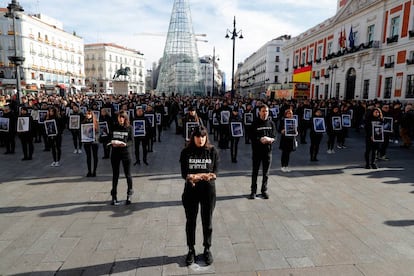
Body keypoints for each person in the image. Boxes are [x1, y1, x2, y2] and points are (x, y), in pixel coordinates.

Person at [180, 126, 218, 266]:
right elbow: (184, 173)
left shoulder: (212, 151)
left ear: (206, 137)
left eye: (203, 136)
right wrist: (194, 176)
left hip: (208, 191)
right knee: (191, 221)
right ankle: (191, 249)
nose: (200, 139)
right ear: (193, 137)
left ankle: (207, 248)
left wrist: (202, 176)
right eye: (197, 136)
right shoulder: (186, 152)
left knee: (207, 220)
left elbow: (214, 173)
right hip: (191, 191)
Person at [249, 104, 276, 199]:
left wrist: (271, 139)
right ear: (259, 112)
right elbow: (251, 136)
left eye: (267, 111)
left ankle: (264, 190)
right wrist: (259, 139)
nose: (265, 113)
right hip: (257, 151)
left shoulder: (271, 123)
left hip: (268, 152)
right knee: (255, 172)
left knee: (266, 173)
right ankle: (253, 191)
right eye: (263, 111)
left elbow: (274, 136)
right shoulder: (255, 123)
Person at [110, 110, 133, 205]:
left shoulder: (129, 128)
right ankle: (114, 196)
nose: (121, 119)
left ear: (125, 118)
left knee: (128, 174)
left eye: (122, 117)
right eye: (119, 118)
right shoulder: (114, 126)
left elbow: (131, 141)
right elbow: (109, 138)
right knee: (115, 175)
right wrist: (112, 143)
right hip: (115, 153)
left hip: (125, 153)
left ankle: (129, 195)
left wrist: (125, 144)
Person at [82, 110, 99, 177]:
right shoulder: (83, 122)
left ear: (92, 115)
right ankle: (89, 171)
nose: (87, 115)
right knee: (88, 157)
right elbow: (82, 132)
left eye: (89, 114)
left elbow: (98, 132)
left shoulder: (96, 122)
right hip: (86, 141)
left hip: (94, 141)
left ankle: (94, 171)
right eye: (86, 114)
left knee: (95, 156)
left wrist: (94, 135)